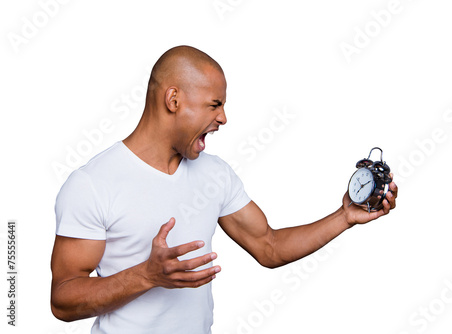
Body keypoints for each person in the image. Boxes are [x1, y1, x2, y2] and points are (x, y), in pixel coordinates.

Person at [50, 45, 398, 334]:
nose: (224, 118)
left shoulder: (214, 174)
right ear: (173, 100)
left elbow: (269, 246)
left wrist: (344, 217)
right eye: (215, 105)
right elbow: (63, 299)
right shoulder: (93, 184)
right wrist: (147, 275)